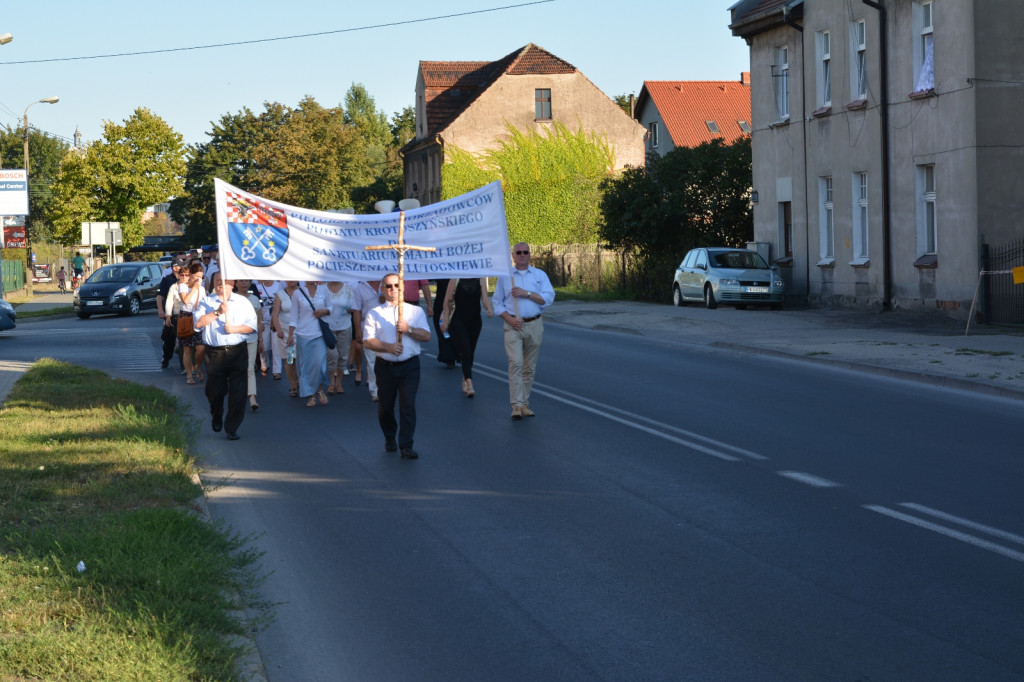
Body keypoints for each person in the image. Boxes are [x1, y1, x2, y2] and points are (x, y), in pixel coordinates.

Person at [362, 273, 431, 460]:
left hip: (409, 367)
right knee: (386, 407)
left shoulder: (414, 311)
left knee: (408, 405)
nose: (393, 290)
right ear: (383, 289)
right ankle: (389, 436)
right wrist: (388, 347)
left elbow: (426, 336)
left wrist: (409, 329)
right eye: (389, 286)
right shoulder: (374, 313)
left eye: (396, 286)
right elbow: (368, 342)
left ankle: (406, 446)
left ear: (402, 288)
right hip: (385, 366)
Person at [493, 242, 555, 419]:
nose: (522, 255)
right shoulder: (505, 277)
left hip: (534, 324)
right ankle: (516, 406)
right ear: (513, 256)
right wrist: (509, 319)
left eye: (525, 252)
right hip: (514, 325)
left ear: (529, 255)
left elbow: (547, 298)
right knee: (516, 364)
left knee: (529, 367)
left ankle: (525, 403)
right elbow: (497, 303)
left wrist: (526, 293)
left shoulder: (539, 275)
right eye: (518, 252)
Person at [194, 272, 257, 441]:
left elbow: (252, 326)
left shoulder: (243, 302)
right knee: (214, 392)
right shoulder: (206, 302)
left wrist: (234, 329)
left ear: (233, 283)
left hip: (237, 351)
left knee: (238, 393)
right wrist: (217, 312)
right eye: (218, 281)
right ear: (214, 283)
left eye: (226, 281)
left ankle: (232, 427)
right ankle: (216, 414)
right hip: (214, 354)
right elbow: (198, 324)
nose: (222, 284)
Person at [440, 277, 494, 397]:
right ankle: (469, 383)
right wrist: (445, 321)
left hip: (475, 321)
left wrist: (488, 308)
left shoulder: (480, 278)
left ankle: (465, 376)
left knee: (471, 351)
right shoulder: (455, 279)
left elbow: (484, 298)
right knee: (466, 350)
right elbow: (447, 300)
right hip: (458, 321)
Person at [286, 281, 331, 408]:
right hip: (303, 333)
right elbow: (294, 315)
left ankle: (320, 390)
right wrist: (290, 335)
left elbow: (331, 307)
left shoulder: (324, 290)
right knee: (305, 366)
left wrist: (324, 311)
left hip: (320, 333)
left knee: (320, 365)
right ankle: (311, 395)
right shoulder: (297, 293)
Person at [165, 259, 206, 383]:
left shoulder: (202, 289)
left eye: (201, 278)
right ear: (191, 275)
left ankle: (198, 367)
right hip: (185, 317)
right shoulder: (182, 286)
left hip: (197, 318)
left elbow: (205, 304)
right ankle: (189, 376)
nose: (199, 280)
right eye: (196, 277)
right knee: (187, 348)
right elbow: (185, 301)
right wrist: (194, 288)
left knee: (200, 348)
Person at [351, 279, 383, 401]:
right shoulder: (360, 287)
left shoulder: (387, 284)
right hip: (369, 328)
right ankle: (375, 391)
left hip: (387, 329)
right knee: (372, 361)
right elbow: (357, 310)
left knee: (387, 359)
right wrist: (358, 330)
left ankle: (386, 387)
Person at [322, 280, 355, 394]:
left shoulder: (347, 288)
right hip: (328, 326)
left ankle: (339, 383)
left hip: (345, 325)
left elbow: (353, 306)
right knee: (331, 355)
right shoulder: (322, 288)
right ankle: (331, 383)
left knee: (343, 356)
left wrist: (350, 309)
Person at [235, 279, 263, 411]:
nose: (244, 284)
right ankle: (238, 395)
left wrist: (261, 340)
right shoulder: (231, 299)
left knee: (250, 368)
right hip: (235, 339)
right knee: (238, 368)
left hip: (252, 338)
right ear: (236, 284)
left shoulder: (255, 299)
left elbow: (260, 321)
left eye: (246, 281)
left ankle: (252, 397)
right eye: (241, 281)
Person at [156, 255, 186, 370]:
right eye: (180, 267)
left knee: (183, 341)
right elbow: (160, 296)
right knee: (168, 339)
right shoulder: (167, 280)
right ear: (174, 268)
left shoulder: (186, 279)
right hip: (171, 315)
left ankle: (184, 366)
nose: (183, 269)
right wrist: (160, 310)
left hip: (182, 315)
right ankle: (166, 358)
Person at [271, 281, 300, 396]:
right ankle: (293, 385)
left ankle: (299, 381)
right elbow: (275, 313)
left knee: (299, 359)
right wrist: (278, 329)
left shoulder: (303, 291)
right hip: (287, 334)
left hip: (301, 331)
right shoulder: (280, 294)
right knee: (290, 359)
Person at [254, 280, 281, 377]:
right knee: (264, 347)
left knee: (276, 348)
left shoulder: (278, 286)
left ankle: (277, 371)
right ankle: (264, 364)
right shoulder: (257, 287)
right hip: (263, 321)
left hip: (276, 322)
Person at [431, 278, 457, 368]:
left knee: (446, 332)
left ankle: (450, 356)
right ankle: (450, 355)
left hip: (450, 306)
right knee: (446, 332)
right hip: (446, 305)